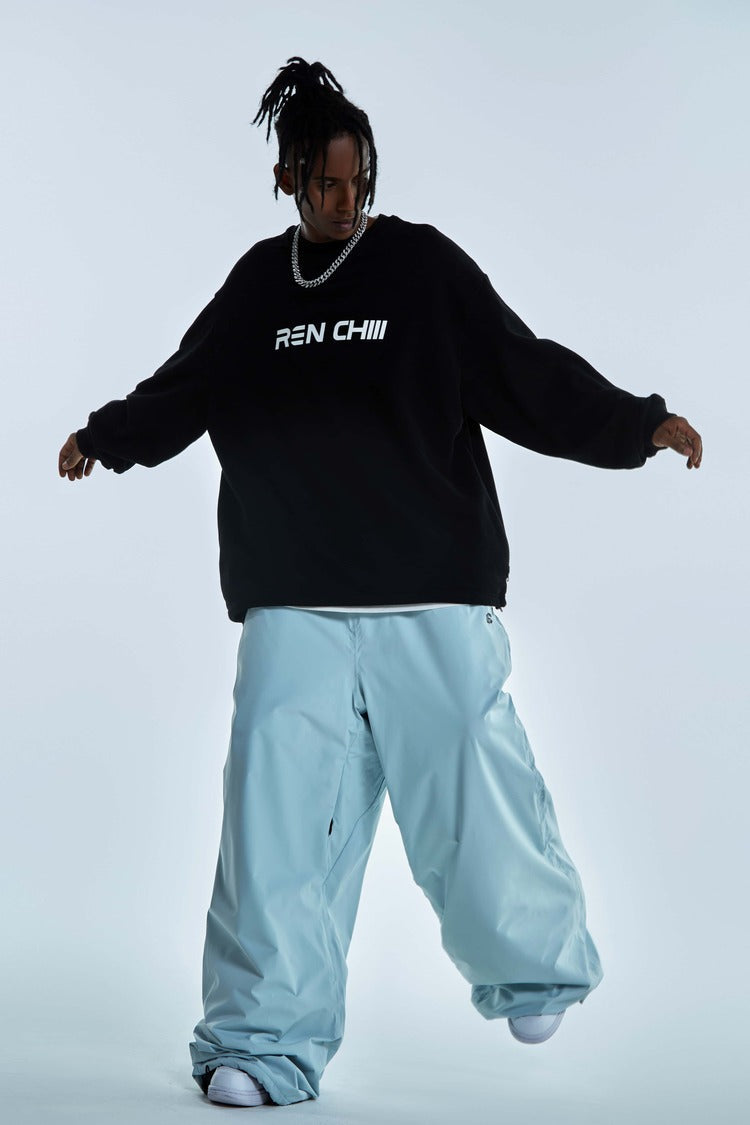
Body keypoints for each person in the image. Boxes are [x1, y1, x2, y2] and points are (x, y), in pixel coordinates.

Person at [58, 56, 703, 1109]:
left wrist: (638, 423)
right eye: (325, 184)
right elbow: (183, 387)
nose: (345, 201)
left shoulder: (421, 270)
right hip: (294, 601)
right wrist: (106, 437)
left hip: (428, 589)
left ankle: (533, 964)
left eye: (360, 181)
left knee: (469, 778)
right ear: (286, 178)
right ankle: (261, 1043)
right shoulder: (256, 289)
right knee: (276, 827)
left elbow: (523, 368)